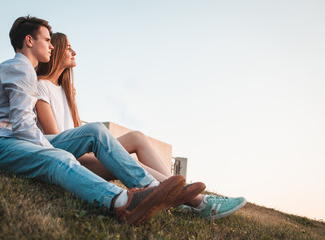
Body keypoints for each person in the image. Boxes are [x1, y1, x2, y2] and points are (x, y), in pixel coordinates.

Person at [0, 16, 206, 225]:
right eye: (46, 40)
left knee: (94, 131)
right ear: (29, 41)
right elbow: (22, 125)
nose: (52, 45)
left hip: (14, 139)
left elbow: (24, 128)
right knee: (57, 158)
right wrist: (49, 150)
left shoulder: (27, 72)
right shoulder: (20, 67)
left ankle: (153, 190)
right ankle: (122, 201)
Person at [35, 32, 247, 220]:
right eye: (68, 47)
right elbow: (59, 141)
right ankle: (199, 202)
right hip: (72, 163)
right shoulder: (41, 86)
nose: (74, 51)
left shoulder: (67, 92)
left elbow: (78, 132)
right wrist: (107, 154)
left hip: (87, 157)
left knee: (137, 137)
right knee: (123, 158)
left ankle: (177, 191)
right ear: (56, 50)